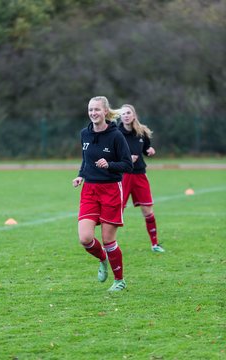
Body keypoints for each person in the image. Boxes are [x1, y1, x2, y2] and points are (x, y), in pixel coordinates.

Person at [72, 96, 133, 291]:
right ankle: (103, 259)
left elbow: (127, 165)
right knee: (85, 238)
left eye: (97, 109)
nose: (93, 113)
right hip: (89, 190)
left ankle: (119, 280)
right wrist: (81, 175)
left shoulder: (116, 136)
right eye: (90, 110)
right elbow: (85, 160)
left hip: (111, 190)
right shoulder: (85, 134)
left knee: (108, 240)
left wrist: (109, 165)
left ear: (105, 111)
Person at [118, 104, 165, 253]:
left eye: (128, 113)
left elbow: (145, 149)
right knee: (117, 211)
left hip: (139, 174)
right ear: (120, 116)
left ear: (133, 115)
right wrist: (125, 159)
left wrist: (149, 150)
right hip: (123, 176)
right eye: (123, 113)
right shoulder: (115, 133)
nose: (125, 115)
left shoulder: (141, 132)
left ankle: (155, 244)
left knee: (147, 210)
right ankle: (109, 245)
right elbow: (110, 154)